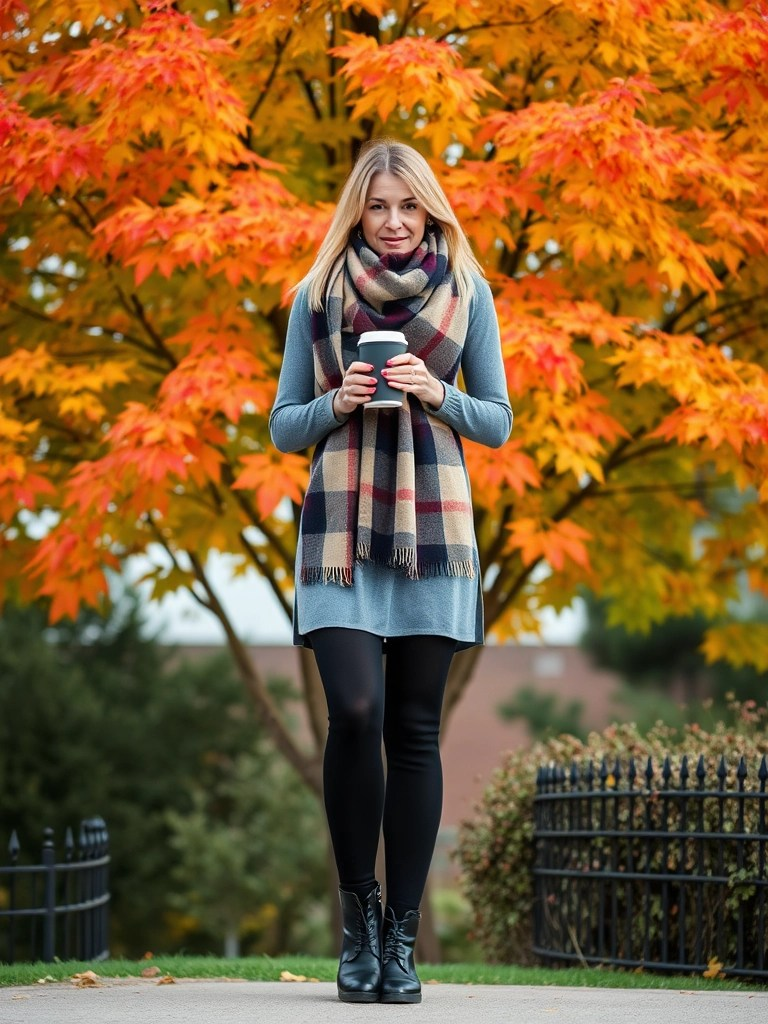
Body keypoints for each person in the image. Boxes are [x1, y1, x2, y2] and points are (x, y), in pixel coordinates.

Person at [269, 139, 512, 1004]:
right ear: (358, 212)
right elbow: (283, 424)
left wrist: (436, 392)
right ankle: (358, 919)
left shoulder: (468, 291)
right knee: (355, 711)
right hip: (338, 534)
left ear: (430, 210)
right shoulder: (316, 295)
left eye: (409, 205)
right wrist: (335, 403)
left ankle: (400, 942)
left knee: (413, 728)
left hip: (433, 535)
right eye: (379, 206)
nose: (395, 221)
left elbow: (498, 421)